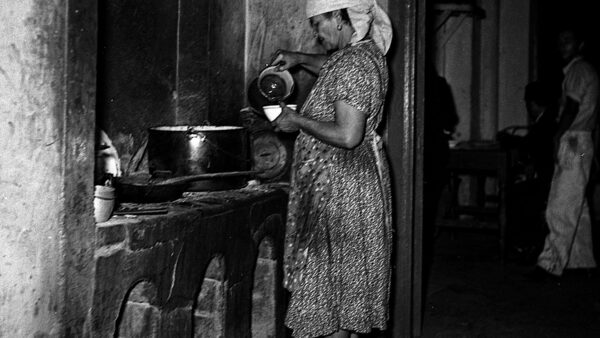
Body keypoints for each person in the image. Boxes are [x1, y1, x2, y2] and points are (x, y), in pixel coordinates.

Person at [269, 0, 393, 337]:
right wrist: (299, 59)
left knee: (328, 304)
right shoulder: (363, 54)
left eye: (318, 23)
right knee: (341, 306)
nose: (315, 32)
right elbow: (334, 66)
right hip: (350, 185)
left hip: (340, 190)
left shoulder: (353, 65)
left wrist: (296, 120)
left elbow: (348, 135)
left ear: (340, 18)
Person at [534, 27, 598, 278]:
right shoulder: (585, 71)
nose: (563, 46)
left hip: (573, 140)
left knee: (561, 203)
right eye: (560, 41)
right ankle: (581, 261)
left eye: (568, 41)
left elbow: (571, 107)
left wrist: (557, 136)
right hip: (583, 141)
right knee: (577, 204)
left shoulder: (578, 70)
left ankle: (549, 264)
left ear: (580, 44)